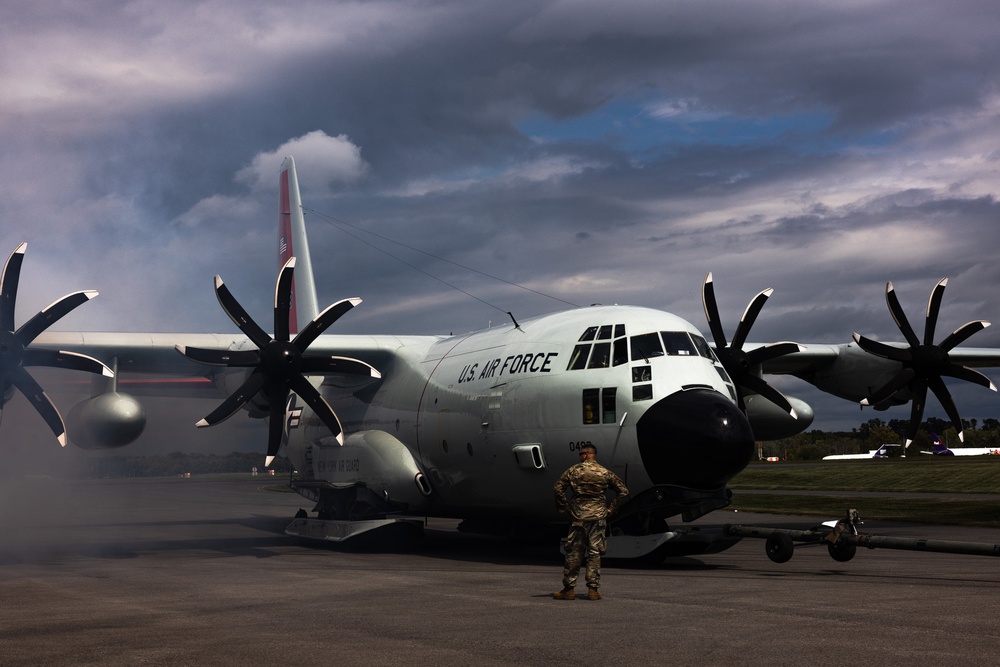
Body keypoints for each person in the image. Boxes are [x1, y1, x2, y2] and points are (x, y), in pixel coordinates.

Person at [552, 444, 628, 600]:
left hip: (579, 517)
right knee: (594, 553)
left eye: (581, 454)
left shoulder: (574, 471)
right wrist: (611, 509)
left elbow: (558, 488)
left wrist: (565, 508)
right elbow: (623, 492)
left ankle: (569, 589)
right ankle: (593, 590)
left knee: (574, 552)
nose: (580, 456)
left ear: (586, 454)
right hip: (598, 518)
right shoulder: (605, 472)